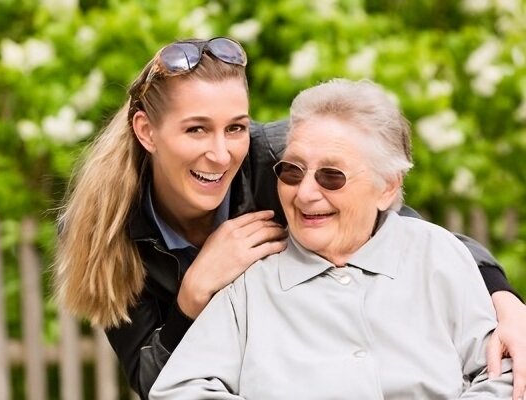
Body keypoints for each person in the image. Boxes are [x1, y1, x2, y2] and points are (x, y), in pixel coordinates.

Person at [53, 38, 526, 400]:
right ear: (146, 131)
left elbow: (399, 228)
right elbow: (157, 382)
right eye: (196, 128)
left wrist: (504, 300)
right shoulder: (102, 228)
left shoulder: (282, 154)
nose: (220, 154)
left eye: (235, 127)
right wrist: (193, 296)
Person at [149, 78, 514, 399]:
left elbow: (503, 375)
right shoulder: (248, 280)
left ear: (387, 187)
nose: (304, 193)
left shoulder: (437, 256)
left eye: (331, 176)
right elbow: (180, 389)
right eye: (292, 171)